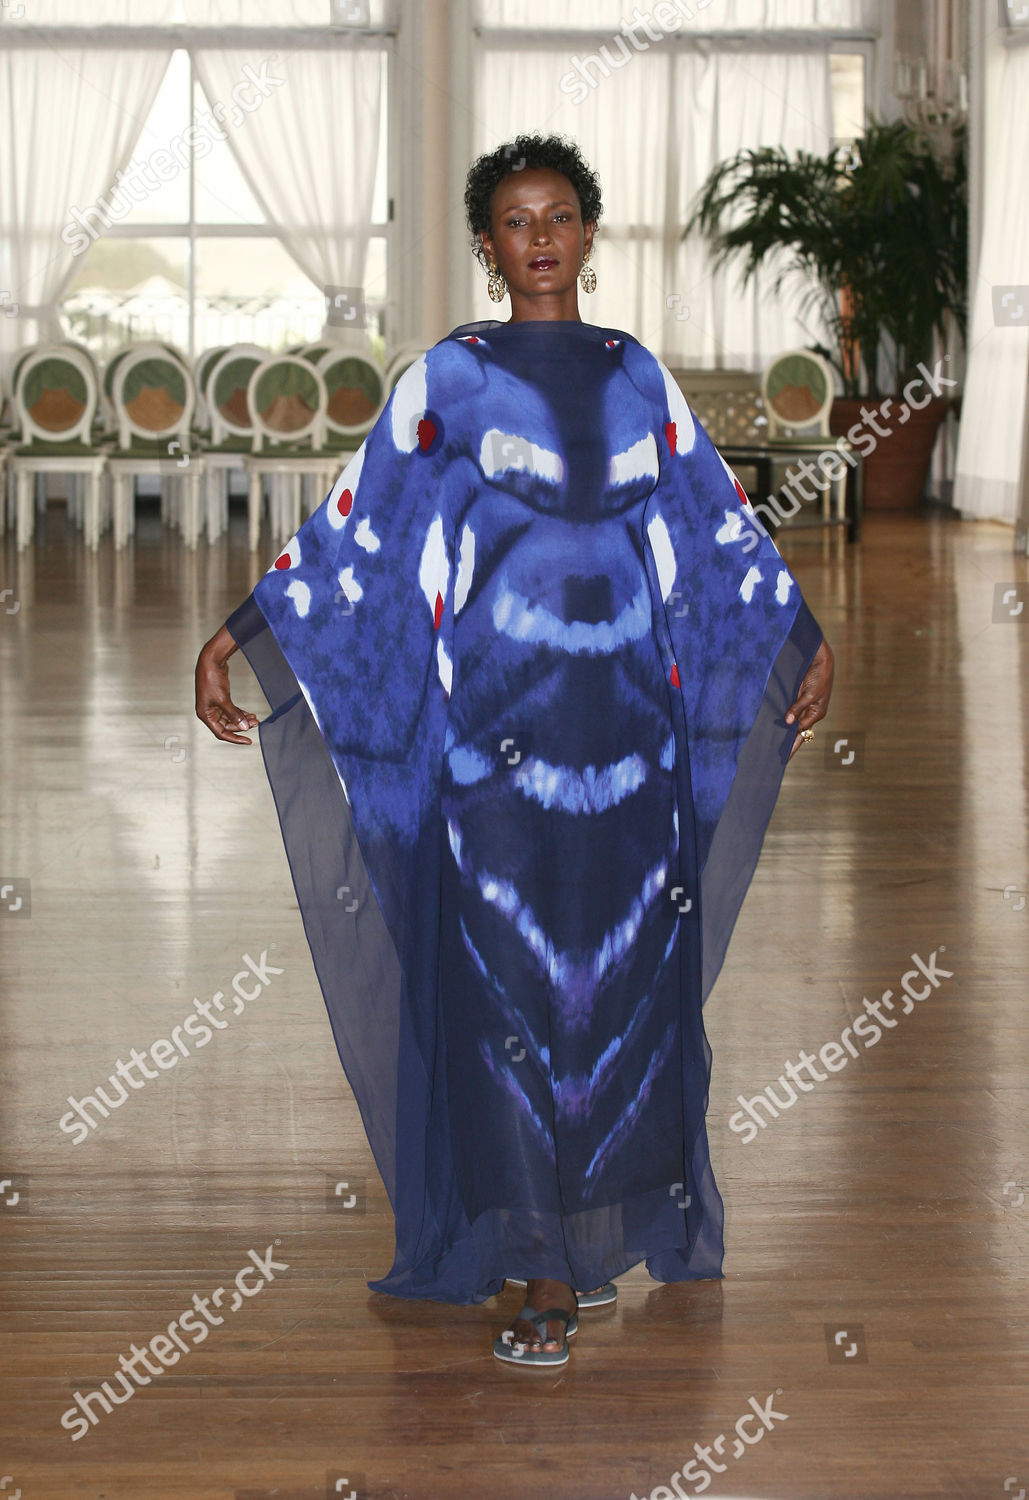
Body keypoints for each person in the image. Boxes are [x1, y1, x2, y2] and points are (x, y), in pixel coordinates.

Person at [195, 131, 834, 1370]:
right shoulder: (445, 380)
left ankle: (581, 1240)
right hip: (488, 739)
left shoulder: (640, 378)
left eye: (558, 215)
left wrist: (802, 634)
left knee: (617, 989)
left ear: (589, 233)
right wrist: (239, 634)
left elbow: (716, 528)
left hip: (630, 743)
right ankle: (539, 1259)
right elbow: (354, 531)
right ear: (488, 249)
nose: (538, 236)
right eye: (513, 220)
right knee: (501, 983)